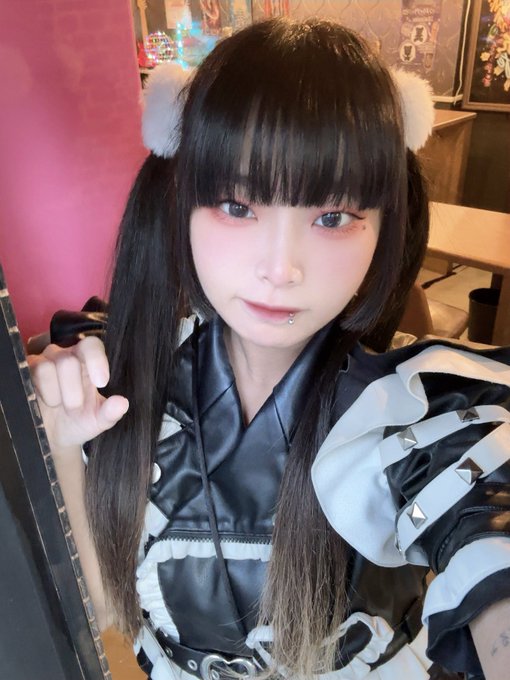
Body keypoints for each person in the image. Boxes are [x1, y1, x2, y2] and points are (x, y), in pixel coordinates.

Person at [29, 17, 510, 680]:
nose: (281, 268)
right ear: (178, 201)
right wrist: (61, 441)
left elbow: (486, 524)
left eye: (332, 217)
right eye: (236, 206)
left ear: (385, 227)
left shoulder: (416, 411)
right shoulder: (122, 376)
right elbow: (109, 608)